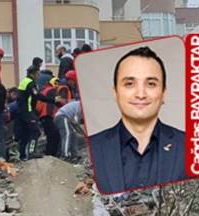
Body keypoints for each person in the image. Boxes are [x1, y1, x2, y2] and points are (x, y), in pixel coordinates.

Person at [88, 46, 186, 194]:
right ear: (115, 92)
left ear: (164, 93)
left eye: (151, 84)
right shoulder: (93, 149)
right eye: (129, 84)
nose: (141, 94)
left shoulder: (189, 147)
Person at [16, 66, 60, 160]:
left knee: (26, 134)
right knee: (36, 132)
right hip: (28, 111)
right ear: (33, 73)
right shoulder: (31, 83)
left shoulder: (24, 81)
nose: (39, 76)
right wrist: (52, 100)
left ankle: (22, 155)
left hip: (21, 112)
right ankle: (31, 152)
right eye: (38, 74)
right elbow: (37, 95)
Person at [36, 77, 64, 157]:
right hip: (48, 115)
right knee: (54, 136)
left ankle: (49, 154)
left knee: (50, 136)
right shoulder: (51, 90)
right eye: (56, 83)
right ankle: (52, 155)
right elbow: (58, 101)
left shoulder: (45, 89)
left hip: (43, 116)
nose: (57, 85)